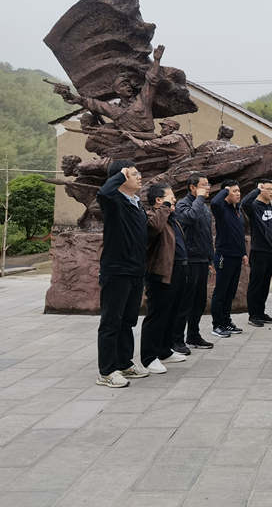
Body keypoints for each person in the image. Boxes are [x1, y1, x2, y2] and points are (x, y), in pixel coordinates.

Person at [94, 159, 150, 388]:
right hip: (116, 271)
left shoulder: (136, 203)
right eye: (134, 173)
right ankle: (106, 371)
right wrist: (119, 175)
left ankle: (124, 363)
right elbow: (103, 193)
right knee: (111, 322)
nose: (139, 177)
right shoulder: (114, 201)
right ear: (122, 177)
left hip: (136, 271)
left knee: (127, 321)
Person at [57, 45, 165, 134]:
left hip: (149, 141)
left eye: (129, 85)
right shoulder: (114, 109)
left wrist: (156, 61)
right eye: (123, 85)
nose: (128, 87)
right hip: (128, 144)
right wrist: (71, 96)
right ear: (117, 91)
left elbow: (151, 82)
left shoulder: (142, 100)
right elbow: (92, 103)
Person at [140, 183, 189, 373]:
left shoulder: (171, 218)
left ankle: (164, 350)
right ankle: (149, 357)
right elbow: (153, 228)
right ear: (159, 200)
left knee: (172, 312)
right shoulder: (153, 215)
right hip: (161, 272)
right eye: (170, 196)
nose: (174, 199)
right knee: (157, 314)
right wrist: (165, 207)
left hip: (178, 270)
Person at [173, 172, 215, 353]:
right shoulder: (183, 204)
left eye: (208, 184)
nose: (208, 188)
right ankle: (176, 340)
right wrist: (198, 199)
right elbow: (189, 218)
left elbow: (207, 234)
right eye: (204, 185)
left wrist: (211, 258)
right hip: (188, 260)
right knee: (185, 302)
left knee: (199, 302)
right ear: (192, 187)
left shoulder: (204, 207)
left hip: (202, 260)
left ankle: (193, 335)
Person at [209, 179, 248, 337]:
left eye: (239, 191)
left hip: (236, 256)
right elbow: (214, 202)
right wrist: (225, 190)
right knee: (221, 292)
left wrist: (243, 253)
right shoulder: (221, 209)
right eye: (234, 191)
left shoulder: (237, 210)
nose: (238, 194)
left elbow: (239, 234)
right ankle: (217, 325)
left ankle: (226, 321)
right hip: (224, 257)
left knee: (230, 292)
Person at [242, 180, 272, 327]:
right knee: (256, 284)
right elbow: (244, 203)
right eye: (268, 189)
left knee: (265, 284)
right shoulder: (254, 207)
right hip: (259, 251)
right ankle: (253, 315)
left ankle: (261, 312)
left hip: (271, 252)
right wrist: (257, 190)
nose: (271, 192)